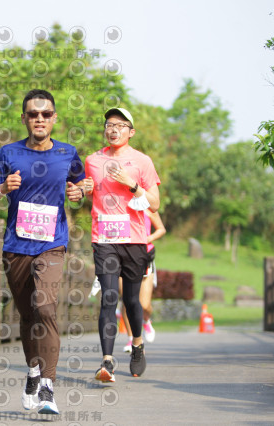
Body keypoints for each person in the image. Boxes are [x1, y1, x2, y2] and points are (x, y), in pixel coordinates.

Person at [0, 89, 88, 414]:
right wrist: (1, 189)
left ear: (54, 118)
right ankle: (32, 371)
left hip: (52, 244)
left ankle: (48, 387)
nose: (39, 119)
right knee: (28, 315)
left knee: (45, 307)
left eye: (45, 114)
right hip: (16, 246)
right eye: (33, 114)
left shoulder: (68, 153)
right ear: (25, 118)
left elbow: (80, 187)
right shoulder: (9, 153)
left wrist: (78, 192)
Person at [83, 107, 160, 380]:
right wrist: (80, 189)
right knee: (109, 297)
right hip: (104, 239)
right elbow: (85, 188)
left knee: (132, 301)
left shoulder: (143, 161)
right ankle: (107, 361)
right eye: (109, 124)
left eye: (120, 125)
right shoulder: (92, 160)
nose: (113, 129)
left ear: (131, 131)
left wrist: (132, 185)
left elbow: (155, 203)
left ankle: (137, 345)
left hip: (135, 239)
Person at [120, 209, 166, 352]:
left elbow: (161, 230)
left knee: (144, 304)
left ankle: (146, 321)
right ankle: (130, 339)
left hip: (144, 257)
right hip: (123, 257)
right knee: (126, 300)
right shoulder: (120, 207)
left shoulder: (147, 206)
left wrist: (147, 238)